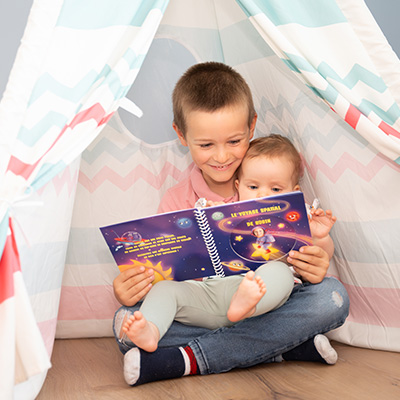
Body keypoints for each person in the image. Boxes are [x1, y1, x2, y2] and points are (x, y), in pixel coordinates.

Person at [112, 62, 349, 386]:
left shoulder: (271, 178)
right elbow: (161, 270)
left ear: (252, 127)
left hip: (259, 298)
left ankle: (185, 359)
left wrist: (320, 251)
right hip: (202, 301)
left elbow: (307, 248)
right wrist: (131, 286)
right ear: (181, 135)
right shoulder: (175, 199)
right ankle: (282, 344)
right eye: (206, 144)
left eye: (234, 141)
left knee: (330, 297)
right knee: (127, 320)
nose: (221, 157)